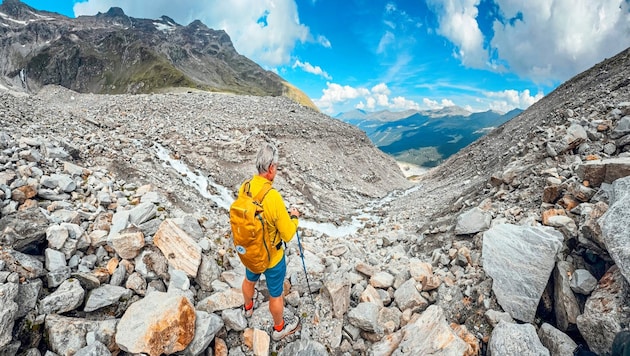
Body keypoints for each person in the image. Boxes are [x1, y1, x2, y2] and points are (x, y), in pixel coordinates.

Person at [240, 142, 301, 341]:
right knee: (275, 294)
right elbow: (288, 234)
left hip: (251, 251)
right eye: (277, 167)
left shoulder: (245, 187)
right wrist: (294, 217)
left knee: (250, 279)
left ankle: (248, 308)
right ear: (271, 168)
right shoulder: (272, 196)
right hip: (272, 257)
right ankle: (279, 328)